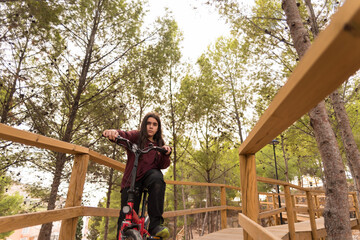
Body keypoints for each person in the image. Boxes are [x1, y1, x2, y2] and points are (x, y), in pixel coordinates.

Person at [103, 112, 171, 239]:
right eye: (148, 123)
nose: (151, 126)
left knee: (158, 178)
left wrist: (166, 153)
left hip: (149, 178)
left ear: (158, 127)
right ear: (144, 125)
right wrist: (113, 132)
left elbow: (163, 165)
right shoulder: (137, 136)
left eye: (154, 124)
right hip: (132, 181)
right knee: (125, 218)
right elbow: (125, 135)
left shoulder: (159, 143)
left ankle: (155, 226)